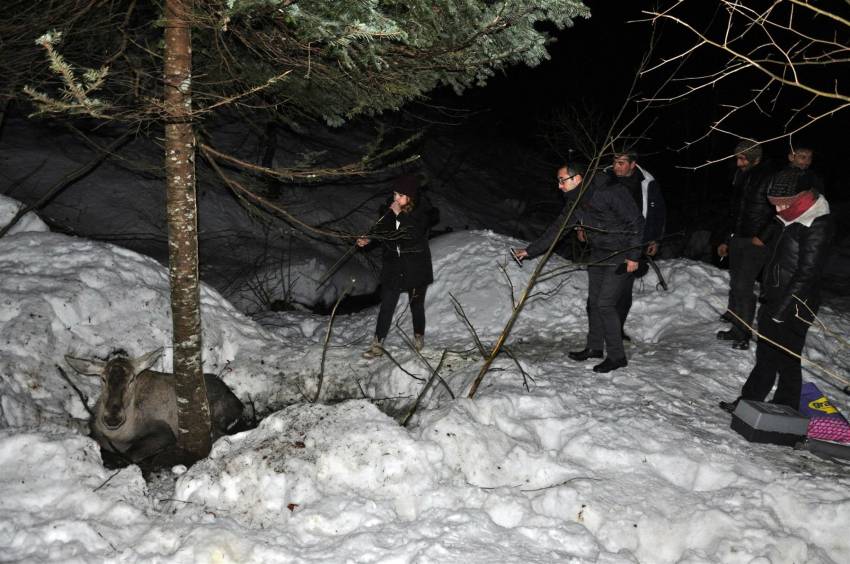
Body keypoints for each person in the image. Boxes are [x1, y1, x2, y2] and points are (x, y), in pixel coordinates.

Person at [720, 168, 833, 413]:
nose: (778, 210)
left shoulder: (817, 223)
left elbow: (807, 273)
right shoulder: (791, 213)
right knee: (766, 354)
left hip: (797, 302)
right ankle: (749, 401)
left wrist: (782, 310)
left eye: (781, 205)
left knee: (787, 358)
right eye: (774, 205)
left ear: (799, 198)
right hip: (776, 296)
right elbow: (775, 234)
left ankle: (786, 406)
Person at [514, 161, 644, 373]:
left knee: (605, 304)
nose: (559, 186)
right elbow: (558, 228)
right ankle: (594, 348)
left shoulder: (608, 191)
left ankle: (617, 356)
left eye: (562, 180)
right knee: (593, 303)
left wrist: (633, 256)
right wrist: (530, 251)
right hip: (599, 252)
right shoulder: (575, 201)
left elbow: (636, 222)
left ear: (577, 178)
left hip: (620, 253)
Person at [357, 174, 434, 359]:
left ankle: (418, 336)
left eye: (400, 195)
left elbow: (414, 234)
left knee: (416, 305)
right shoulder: (389, 210)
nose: (396, 199)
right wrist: (369, 239)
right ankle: (377, 343)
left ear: (411, 197)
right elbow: (381, 230)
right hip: (394, 266)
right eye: (395, 194)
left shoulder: (422, 212)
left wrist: (399, 214)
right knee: (387, 306)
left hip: (416, 267)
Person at [716, 140, 775, 350]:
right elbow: (734, 211)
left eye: (743, 158)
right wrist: (726, 239)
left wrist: (763, 236)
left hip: (755, 241)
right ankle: (736, 327)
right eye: (737, 158)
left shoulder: (769, 177)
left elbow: (778, 212)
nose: (739, 162)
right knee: (736, 285)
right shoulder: (740, 176)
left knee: (744, 286)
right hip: (737, 238)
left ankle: (744, 333)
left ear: (756, 158)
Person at [609, 150, 666, 341]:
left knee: (624, 288)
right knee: (605, 288)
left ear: (633, 164)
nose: (616, 166)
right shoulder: (604, 178)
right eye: (615, 162)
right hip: (606, 241)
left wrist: (654, 239)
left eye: (622, 163)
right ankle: (602, 330)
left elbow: (657, 213)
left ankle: (616, 329)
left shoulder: (647, 182)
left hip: (633, 242)